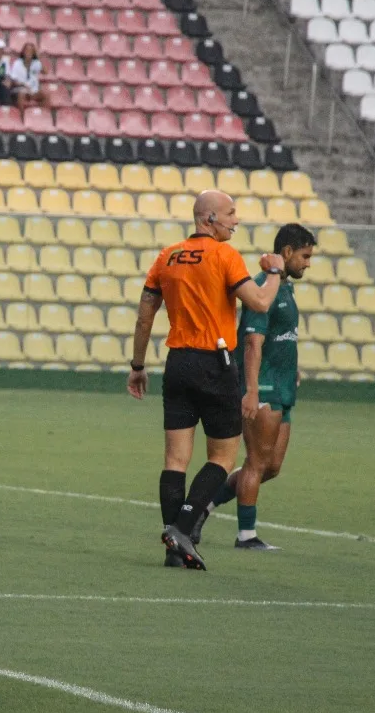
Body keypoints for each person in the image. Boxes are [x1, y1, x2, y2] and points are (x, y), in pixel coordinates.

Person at [126, 190, 283, 571]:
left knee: (175, 459)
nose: (236, 220)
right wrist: (275, 271)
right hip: (215, 363)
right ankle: (181, 530)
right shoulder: (224, 255)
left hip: (177, 362)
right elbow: (260, 302)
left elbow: (146, 314)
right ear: (208, 218)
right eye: (230, 214)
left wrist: (138, 364)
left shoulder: (168, 256)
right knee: (223, 457)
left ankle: (173, 549)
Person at [191, 224, 315, 552]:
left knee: (270, 467)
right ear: (286, 252)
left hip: (284, 386)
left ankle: (203, 507)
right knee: (256, 463)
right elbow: (252, 342)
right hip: (264, 387)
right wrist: (252, 389)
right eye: (304, 256)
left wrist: (292, 368)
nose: (308, 263)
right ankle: (246, 536)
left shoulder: (284, 288)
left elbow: (279, 338)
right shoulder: (262, 287)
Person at [9, 43, 46, 110]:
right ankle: (22, 118)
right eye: (27, 50)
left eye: (31, 51)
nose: (29, 53)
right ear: (23, 52)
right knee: (21, 94)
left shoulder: (36, 63)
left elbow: (45, 72)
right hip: (21, 89)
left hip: (33, 91)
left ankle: (43, 116)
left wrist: (38, 58)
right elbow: (13, 80)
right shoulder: (17, 63)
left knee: (45, 95)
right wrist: (23, 85)